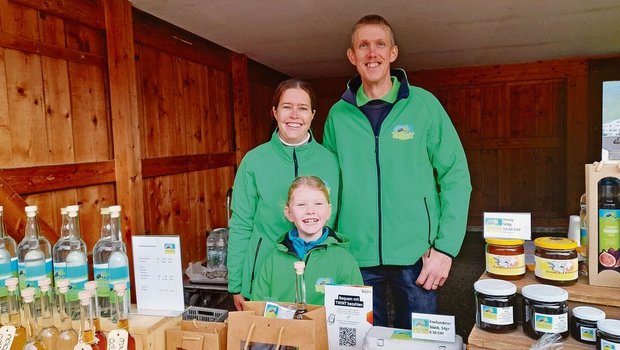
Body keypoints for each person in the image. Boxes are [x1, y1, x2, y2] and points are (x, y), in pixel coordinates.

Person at [322, 14, 472, 328]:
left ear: (393, 53)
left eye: (380, 44)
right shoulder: (338, 115)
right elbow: (327, 188)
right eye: (363, 45)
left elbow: (456, 175)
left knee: (419, 344)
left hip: (417, 256)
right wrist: (329, 248)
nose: (371, 52)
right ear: (352, 56)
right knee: (359, 343)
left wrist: (445, 248)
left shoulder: (424, 105)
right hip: (355, 256)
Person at [228, 79, 340, 311]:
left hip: (317, 279)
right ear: (275, 112)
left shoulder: (329, 161)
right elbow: (240, 224)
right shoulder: (254, 161)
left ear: (313, 114)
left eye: (303, 108)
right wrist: (236, 283)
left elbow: (335, 220)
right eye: (287, 107)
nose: (294, 115)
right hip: (262, 278)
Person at [252, 176, 363, 305]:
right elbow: (257, 307)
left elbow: (355, 313)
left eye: (318, 204)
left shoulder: (344, 260)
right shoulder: (273, 259)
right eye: (301, 204)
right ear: (289, 213)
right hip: (282, 326)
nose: (310, 211)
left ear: (329, 211)